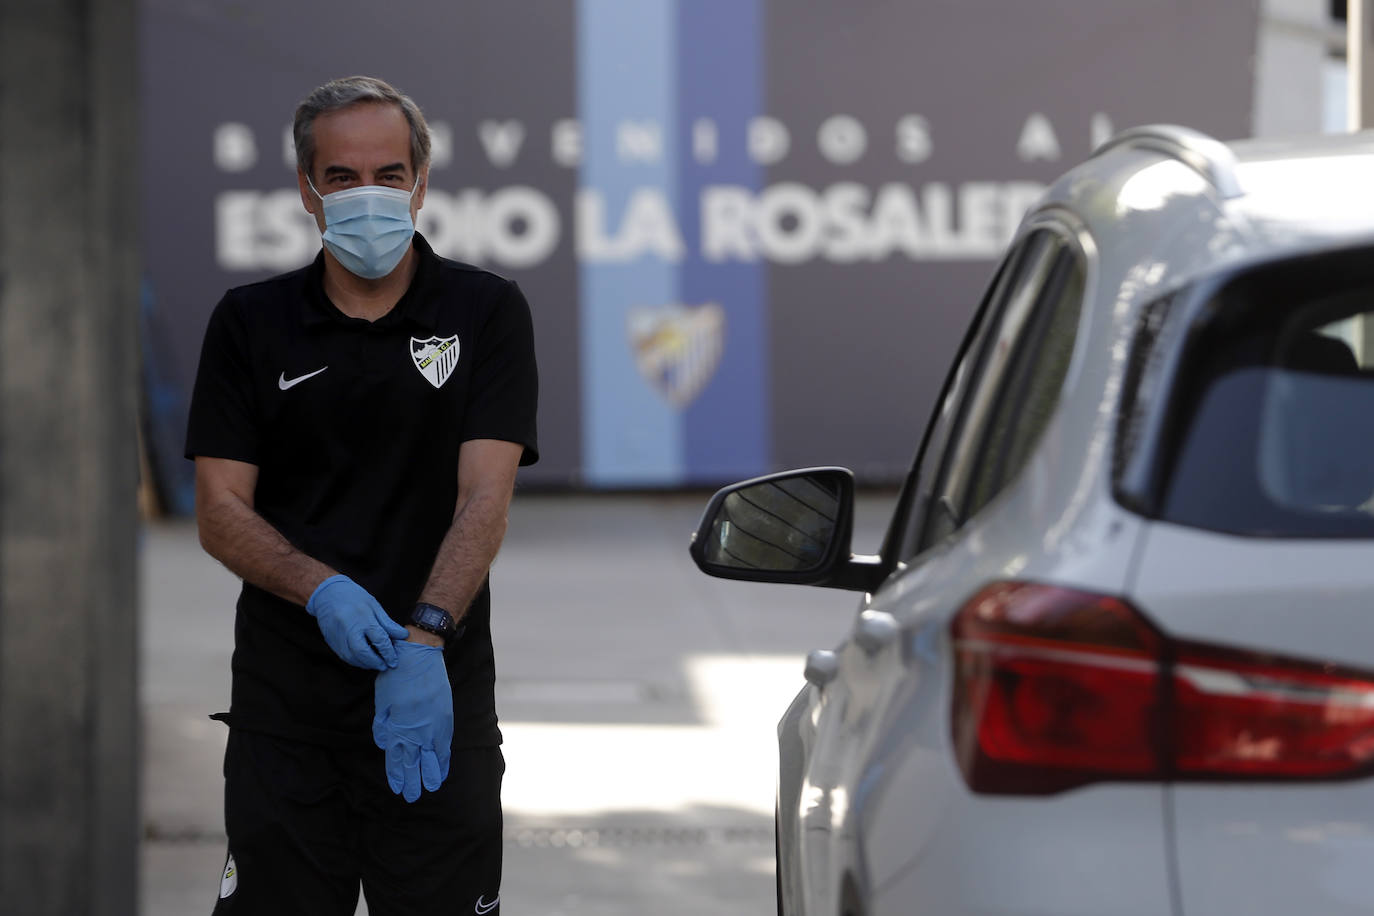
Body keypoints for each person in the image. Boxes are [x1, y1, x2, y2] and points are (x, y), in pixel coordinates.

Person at [185, 75, 538, 915]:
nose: (367, 194)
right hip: (286, 715)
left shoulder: (485, 311)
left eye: (388, 172)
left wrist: (426, 640)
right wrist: (321, 588)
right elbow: (219, 509)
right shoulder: (249, 322)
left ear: (420, 182)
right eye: (341, 177)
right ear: (308, 192)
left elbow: (483, 500)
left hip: (435, 702)